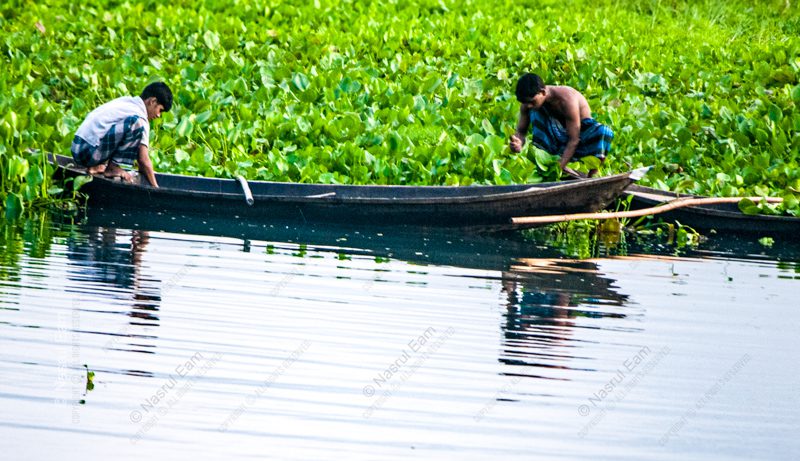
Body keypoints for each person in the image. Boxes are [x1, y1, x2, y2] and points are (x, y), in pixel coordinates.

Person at [509, 73, 613, 177]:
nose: (528, 106)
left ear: (543, 92)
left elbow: (574, 140)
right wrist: (518, 143)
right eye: (525, 102)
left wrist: (559, 168)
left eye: (531, 102)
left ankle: (592, 176)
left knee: (604, 132)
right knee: (535, 112)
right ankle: (547, 165)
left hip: (579, 137)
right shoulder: (528, 104)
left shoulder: (567, 100)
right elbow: (521, 132)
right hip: (555, 142)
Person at [71, 82, 173, 188]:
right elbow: (143, 159)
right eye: (160, 110)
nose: (158, 115)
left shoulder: (126, 101)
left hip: (77, 147)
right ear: (152, 101)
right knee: (135, 124)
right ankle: (113, 168)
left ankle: (96, 166)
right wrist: (155, 186)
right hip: (86, 153)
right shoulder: (139, 117)